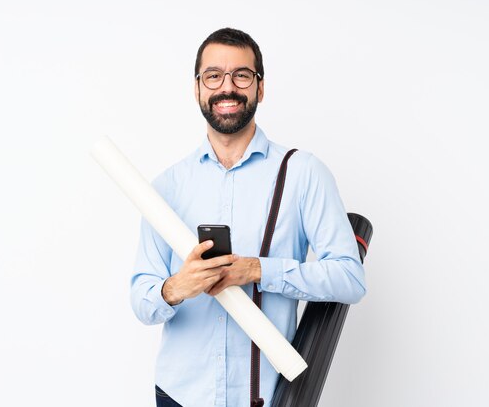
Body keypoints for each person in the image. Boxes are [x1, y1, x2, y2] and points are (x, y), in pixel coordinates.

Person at [131, 28, 366, 407]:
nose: (228, 87)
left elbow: (349, 278)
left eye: (242, 75)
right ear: (197, 89)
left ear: (260, 87)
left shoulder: (302, 173)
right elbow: (141, 299)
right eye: (213, 76)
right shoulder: (167, 186)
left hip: (263, 395)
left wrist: (258, 270)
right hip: (180, 394)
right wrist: (177, 286)